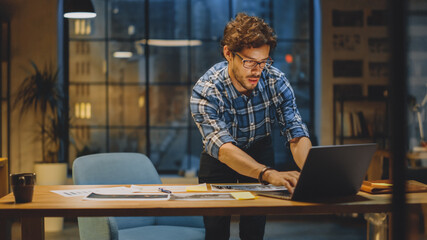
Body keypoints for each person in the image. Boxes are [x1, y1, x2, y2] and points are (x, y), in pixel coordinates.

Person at [190, 13, 312, 240]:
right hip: (220, 158)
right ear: (228, 53)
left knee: (254, 229)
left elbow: (295, 131)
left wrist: (312, 172)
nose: (257, 70)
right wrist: (267, 173)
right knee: (216, 230)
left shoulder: (276, 81)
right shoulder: (206, 90)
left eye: (263, 61)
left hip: (259, 147)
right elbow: (224, 148)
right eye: (249, 61)